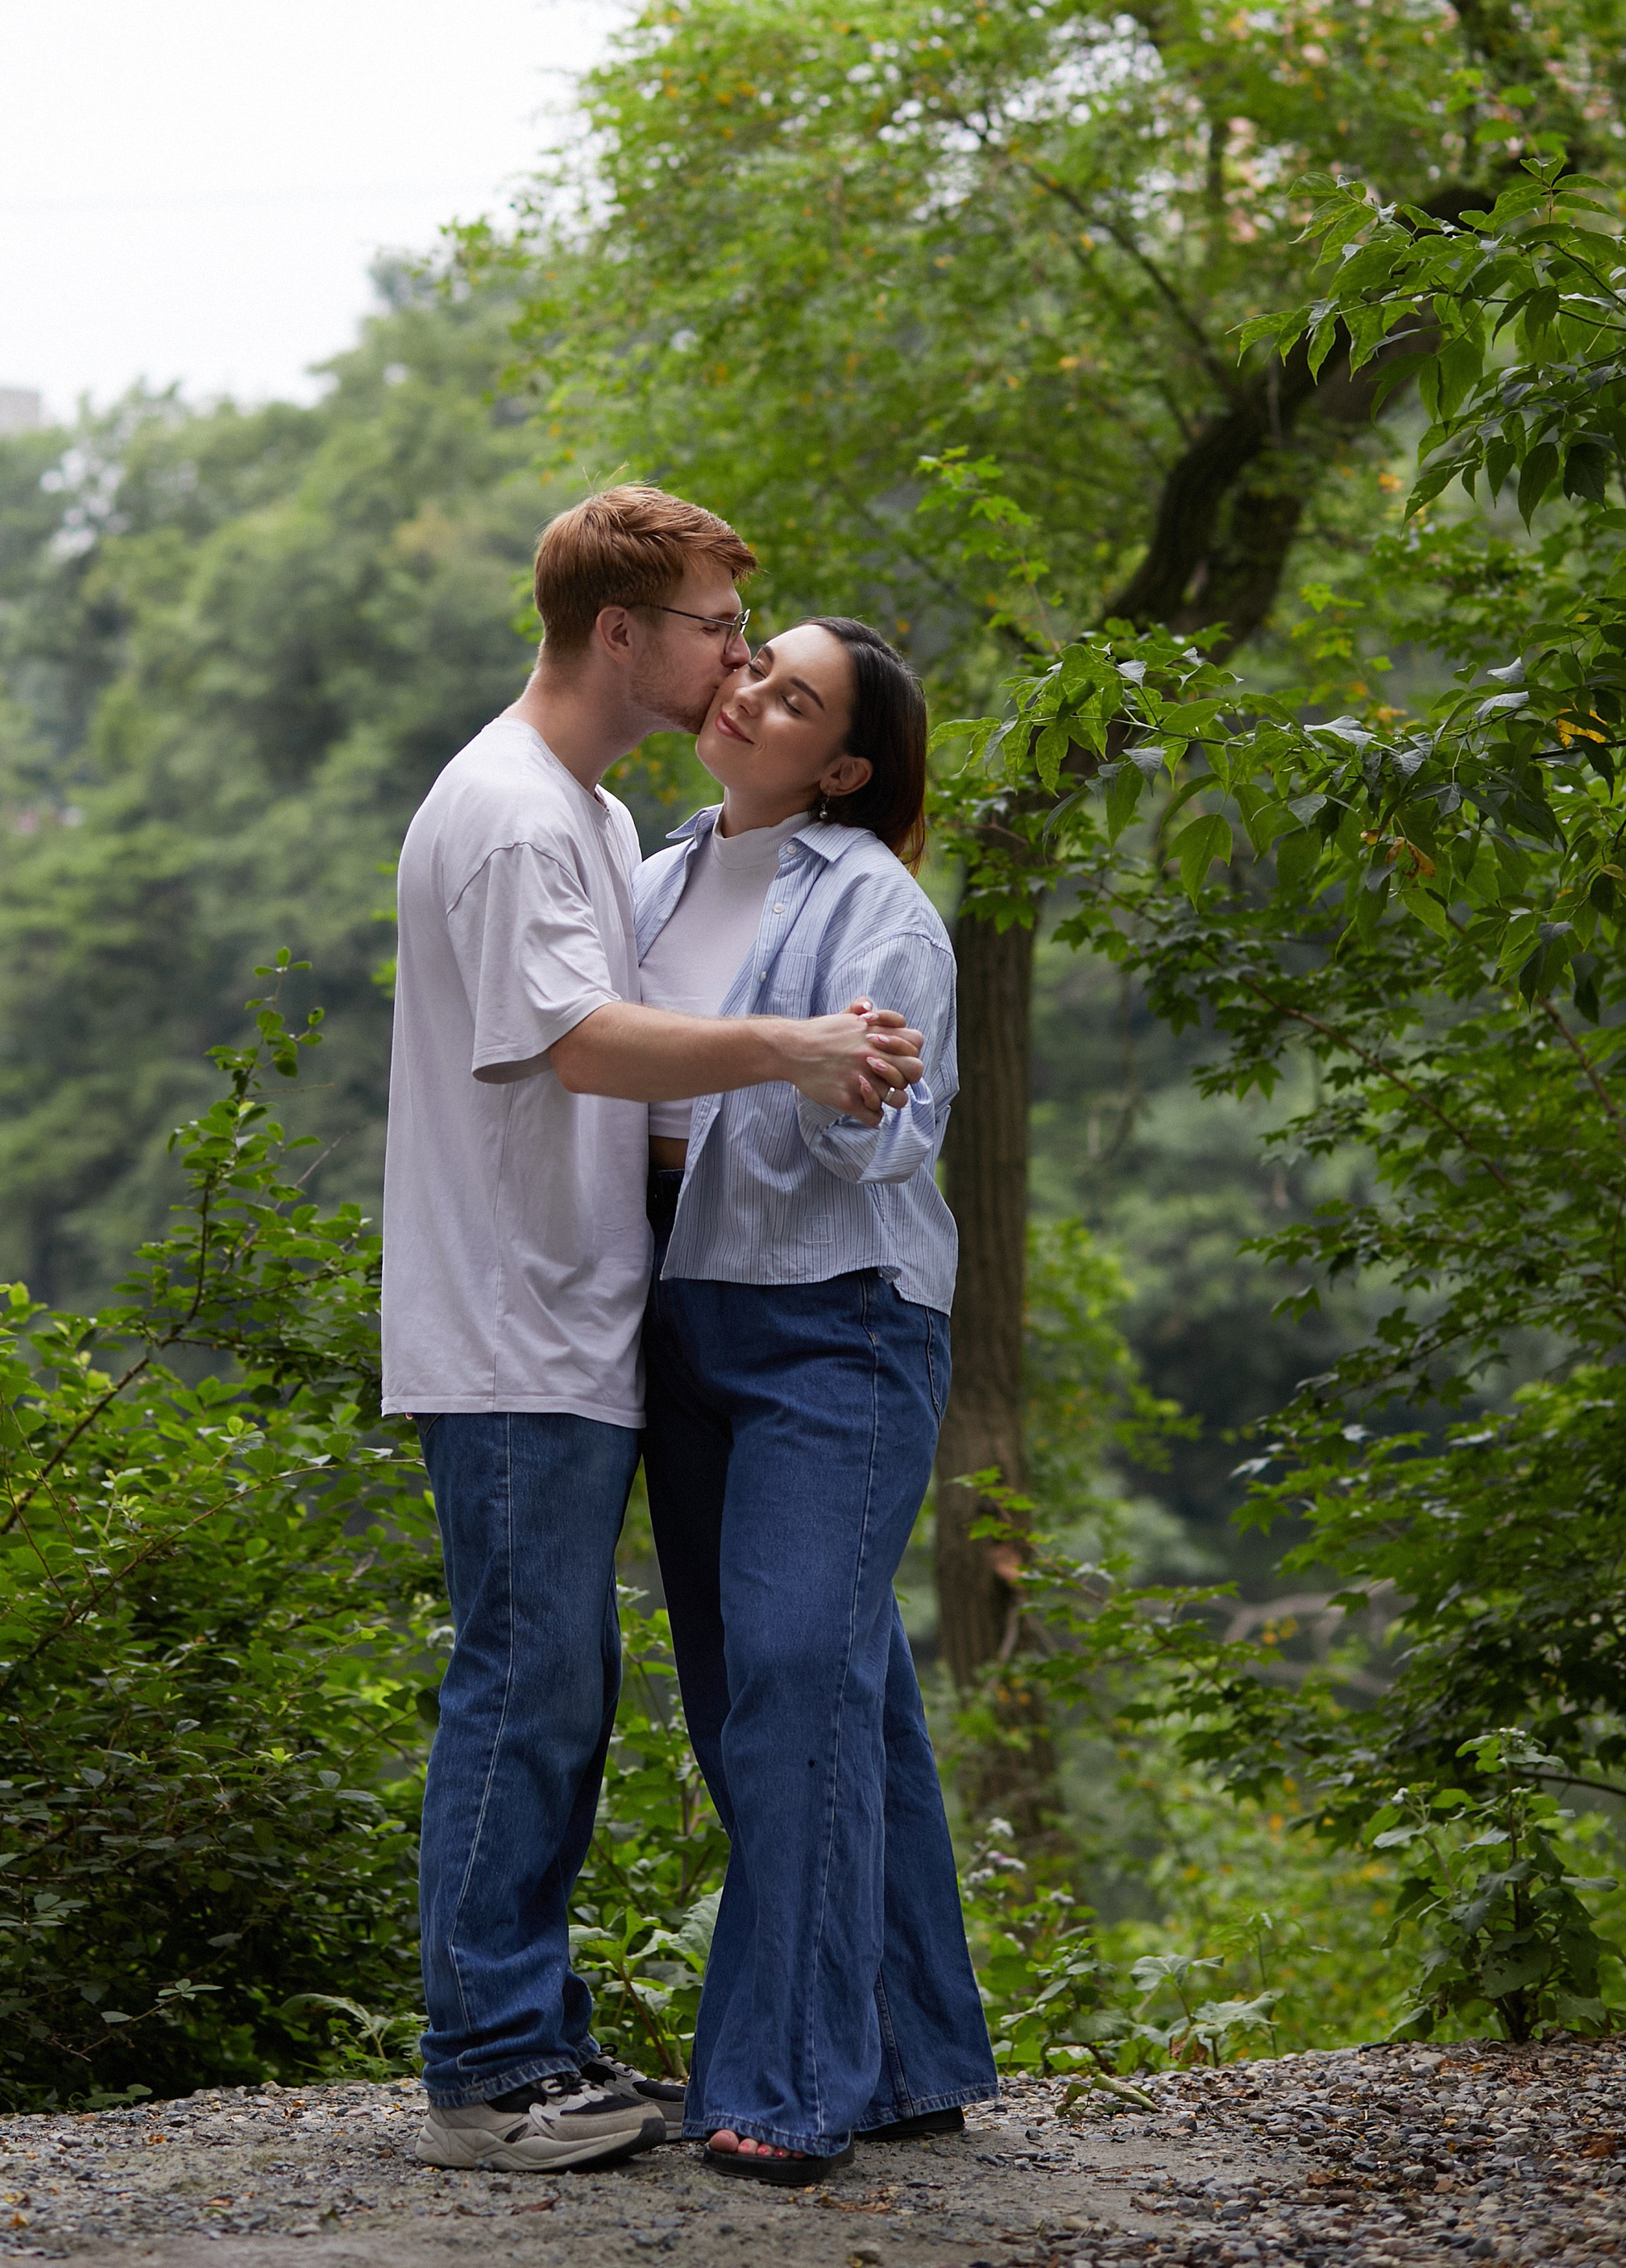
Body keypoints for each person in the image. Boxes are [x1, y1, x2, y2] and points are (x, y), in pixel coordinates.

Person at [381, 493, 926, 2176]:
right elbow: (582, 1045)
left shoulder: (602, 822)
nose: (735, 661)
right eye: (716, 629)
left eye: (757, 647)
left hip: (606, 1318)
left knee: (631, 1683)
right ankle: (490, 2066)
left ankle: (850, 2048)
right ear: (622, 634)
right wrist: (790, 1047)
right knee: (529, 1687)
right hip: (514, 1322)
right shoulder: (520, 817)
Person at [635, 616, 998, 2183]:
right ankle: (908, 2055)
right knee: (806, 1685)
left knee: (790, 1679)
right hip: (679, 1317)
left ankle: (789, 2085)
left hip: (834, 1325)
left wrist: (834, 1082)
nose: (749, 696)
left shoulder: (876, 909)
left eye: (794, 700)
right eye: (751, 669)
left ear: (841, 768)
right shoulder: (650, 879)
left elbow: (888, 1140)